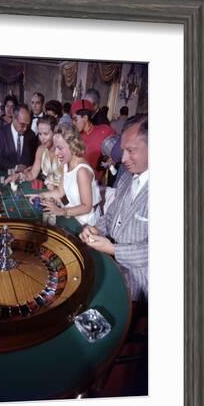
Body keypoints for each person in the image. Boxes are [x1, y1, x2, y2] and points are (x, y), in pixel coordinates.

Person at [79, 114, 148, 302]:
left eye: (131, 151)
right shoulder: (126, 177)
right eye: (123, 150)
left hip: (142, 283)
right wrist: (96, 228)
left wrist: (113, 249)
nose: (123, 158)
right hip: (115, 267)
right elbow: (110, 216)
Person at [34, 124, 101, 226]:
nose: (56, 153)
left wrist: (62, 211)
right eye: (56, 148)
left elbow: (87, 207)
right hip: (72, 216)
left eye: (60, 148)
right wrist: (41, 195)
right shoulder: (66, 164)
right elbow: (60, 192)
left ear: (73, 146)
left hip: (86, 223)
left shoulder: (81, 171)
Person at [5, 115, 62, 190]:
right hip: (49, 193)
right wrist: (19, 175)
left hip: (63, 196)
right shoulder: (41, 150)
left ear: (55, 133)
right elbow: (32, 174)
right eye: (40, 134)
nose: (42, 138)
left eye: (45, 134)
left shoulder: (63, 151)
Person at [71, 98, 114, 182]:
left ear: (85, 118)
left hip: (101, 182)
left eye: (75, 119)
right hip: (80, 180)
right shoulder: (74, 137)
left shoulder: (105, 131)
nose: (73, 123)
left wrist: (110, 160)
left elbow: (118, 152)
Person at [0, 105, 37, 171]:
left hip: (25, 176)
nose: (25, 128)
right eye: (22, 125)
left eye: (28, 125)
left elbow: (33, 158)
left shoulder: (31, 135)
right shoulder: (0, 134)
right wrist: (15, 167)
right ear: (14, 119)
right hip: (5, 175)